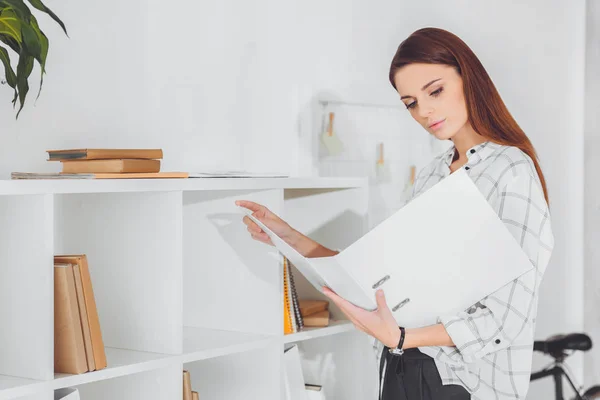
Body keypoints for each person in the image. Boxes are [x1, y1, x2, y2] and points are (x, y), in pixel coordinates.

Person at [236, 27, 554, 400]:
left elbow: (508, 317)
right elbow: (377, 279)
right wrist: (287, 235)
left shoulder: (510, 171)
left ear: (469, 78)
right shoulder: (433, 174)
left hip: (463, 383)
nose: (424, 111)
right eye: (411, 103)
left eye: (435, 91)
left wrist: (404, 336)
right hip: (401, 367)